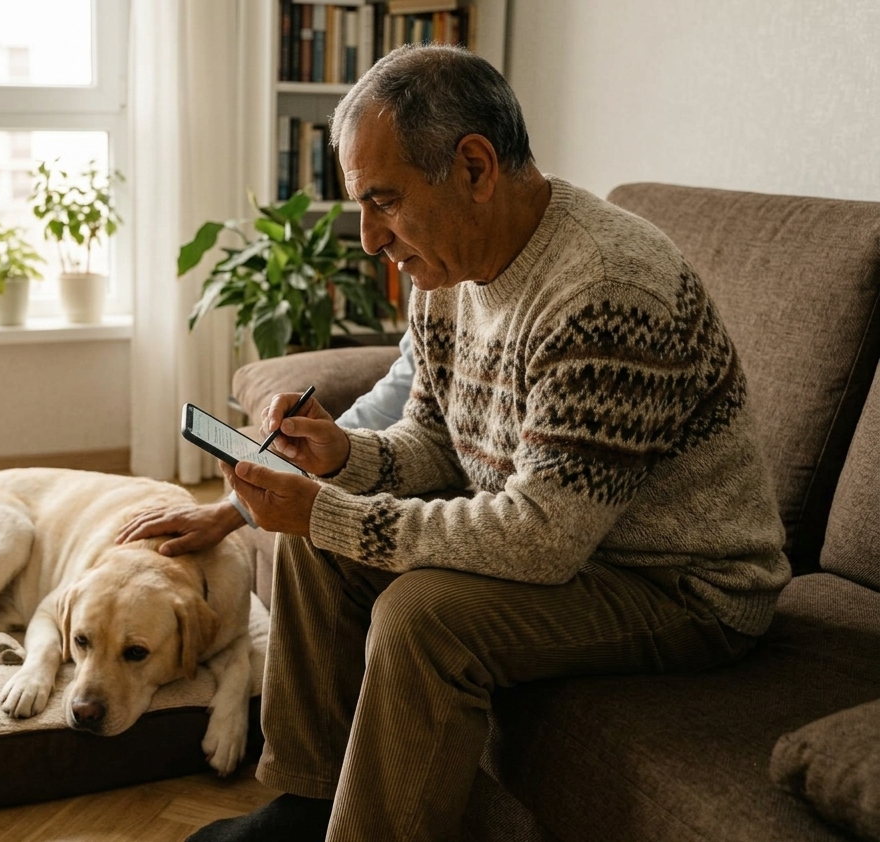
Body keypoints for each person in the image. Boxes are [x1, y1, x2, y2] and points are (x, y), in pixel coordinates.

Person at [141, 43, 790, 842]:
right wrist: (341, 460)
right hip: (577, 545)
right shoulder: (443, 275)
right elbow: (437, 442)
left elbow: (541, 538)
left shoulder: (604, 290)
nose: (371, 238)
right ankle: (309, 801)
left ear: (475, 168)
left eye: (384, 200)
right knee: (318, 536)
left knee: (422, 615)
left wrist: (329, 510)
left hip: (679, 585)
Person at [117, 330, 415, 556]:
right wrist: (231, 510)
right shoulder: (432, 304)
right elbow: (395, 394)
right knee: (303, 532)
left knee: (311, 528)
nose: (372, 246)